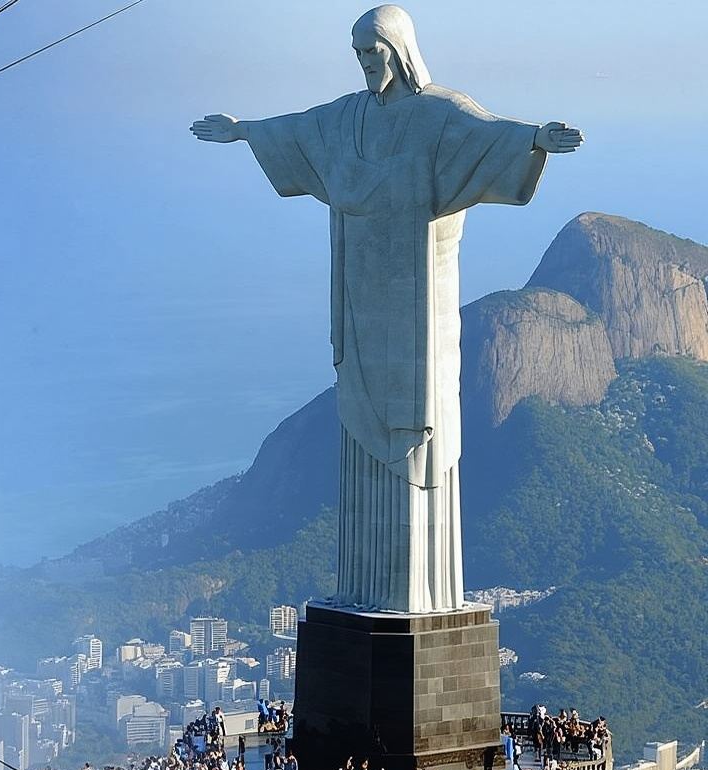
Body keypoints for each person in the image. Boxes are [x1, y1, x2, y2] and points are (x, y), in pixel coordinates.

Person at [190, 4, 582, 612]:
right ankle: (367, 589)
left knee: (420, 418)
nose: (365, 65)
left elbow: (490, 133)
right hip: (361, 298)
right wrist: (244, 130)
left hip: (419, 301)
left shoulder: (439, 114)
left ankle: (421, 594)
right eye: (358, 55)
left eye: (372, 52)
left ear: (399, 50)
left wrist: (537, 139)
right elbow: (298, 128)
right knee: (362, 421)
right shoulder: (347, 119)